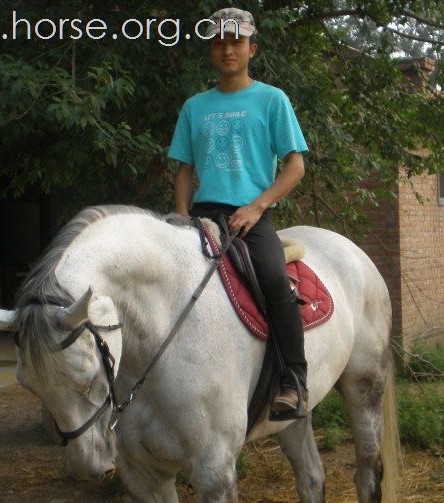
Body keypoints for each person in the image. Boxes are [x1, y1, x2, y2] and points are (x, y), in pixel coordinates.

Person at [167, 7, 309, 415]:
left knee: (273, 281)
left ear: (252, 48)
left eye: (236, 41)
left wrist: (256, 206)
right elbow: (184, 170)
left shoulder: (271, 99)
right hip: (202, 213)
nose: (227, 49)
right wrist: (181, 215)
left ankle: (294, 380)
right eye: (219, 42)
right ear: (211, 50)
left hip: (251, 215)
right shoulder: (195, 106)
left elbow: (295, 166)